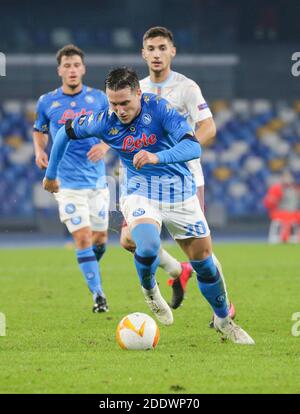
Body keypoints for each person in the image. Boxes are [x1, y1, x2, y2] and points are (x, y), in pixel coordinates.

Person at [43, 67, 254, 344]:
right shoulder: (103, 120)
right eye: (113, 103)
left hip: (180, 193)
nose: (119, 110)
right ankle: (150, 291)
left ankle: (225, 322)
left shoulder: (161, 110)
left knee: (204, 265)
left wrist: (158, 157)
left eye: (125, 103)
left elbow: (194, 148)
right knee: (147, 244)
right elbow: (63, 133)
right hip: (139, 192)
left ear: (139, 94)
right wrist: (51, 173)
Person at [119, 26, 235, 317]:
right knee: (130, 240)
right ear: (143, 53)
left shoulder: (186, 87)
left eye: (162, 48)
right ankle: (175, 269)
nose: (157, 54)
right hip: (143, 179)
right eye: (151, 48)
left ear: (172, 51)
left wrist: (175, 153)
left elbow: (208, 126)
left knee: (199, 252)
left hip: (184, 178)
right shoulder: (137, 89)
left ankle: (224, 306)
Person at [33, 44, 110, 313]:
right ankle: (98, 295)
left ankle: (91, 268)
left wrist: (106, 146)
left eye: (76, 65)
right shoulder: (47, 101)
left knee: (100, 239)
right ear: (60, 71)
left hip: (98, 182)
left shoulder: (99, 98)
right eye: (67, 65)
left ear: (83, 69)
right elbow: (39, 129)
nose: (72, 70)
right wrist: (39, 149)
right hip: (66, 185)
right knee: (83, 237)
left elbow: (117, 127)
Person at [263, 170, 300, 243]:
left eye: (288, 177)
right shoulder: (276, 188)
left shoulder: (296, 189)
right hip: (280, 215)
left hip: (294, 215)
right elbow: (268, 203)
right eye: (284, 177)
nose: (287, 179)